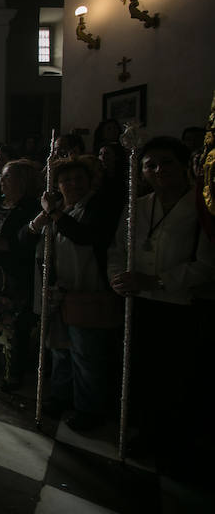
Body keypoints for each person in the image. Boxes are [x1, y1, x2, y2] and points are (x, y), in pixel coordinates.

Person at [108, 136, 215, 468]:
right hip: (139, 301)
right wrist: (118, 279)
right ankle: (147, 432)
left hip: (181, 305)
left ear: (184, 166)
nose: (158, 170)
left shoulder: (201, 207)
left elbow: (207, 265)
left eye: (166, 162)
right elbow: (117, 250)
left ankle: (177, 445)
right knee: (143, 373)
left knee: (178, 378)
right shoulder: (138, 206)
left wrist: (157, 281)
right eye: (150, 164)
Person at [29, 156, 122, 432]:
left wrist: (55, 215)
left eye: (78, 179)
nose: (73, 185)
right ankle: (61, 396)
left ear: (90, 180)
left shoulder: (97, 206)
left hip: (88, 291)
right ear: (57, 185)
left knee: (86, 355)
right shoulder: (61, 209)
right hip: (61, 291)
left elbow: (86, 236)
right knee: (60, 349)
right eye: (66, 180)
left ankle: (89, 409)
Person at [0, 159, 42, 387]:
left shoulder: (31, 207)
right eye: (1, 177)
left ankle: (13, 370)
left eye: (7, 177)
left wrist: (7, 245)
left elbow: (32, 240)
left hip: (16, 274)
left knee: (14, 324)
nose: (1, 181)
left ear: (23, 181)